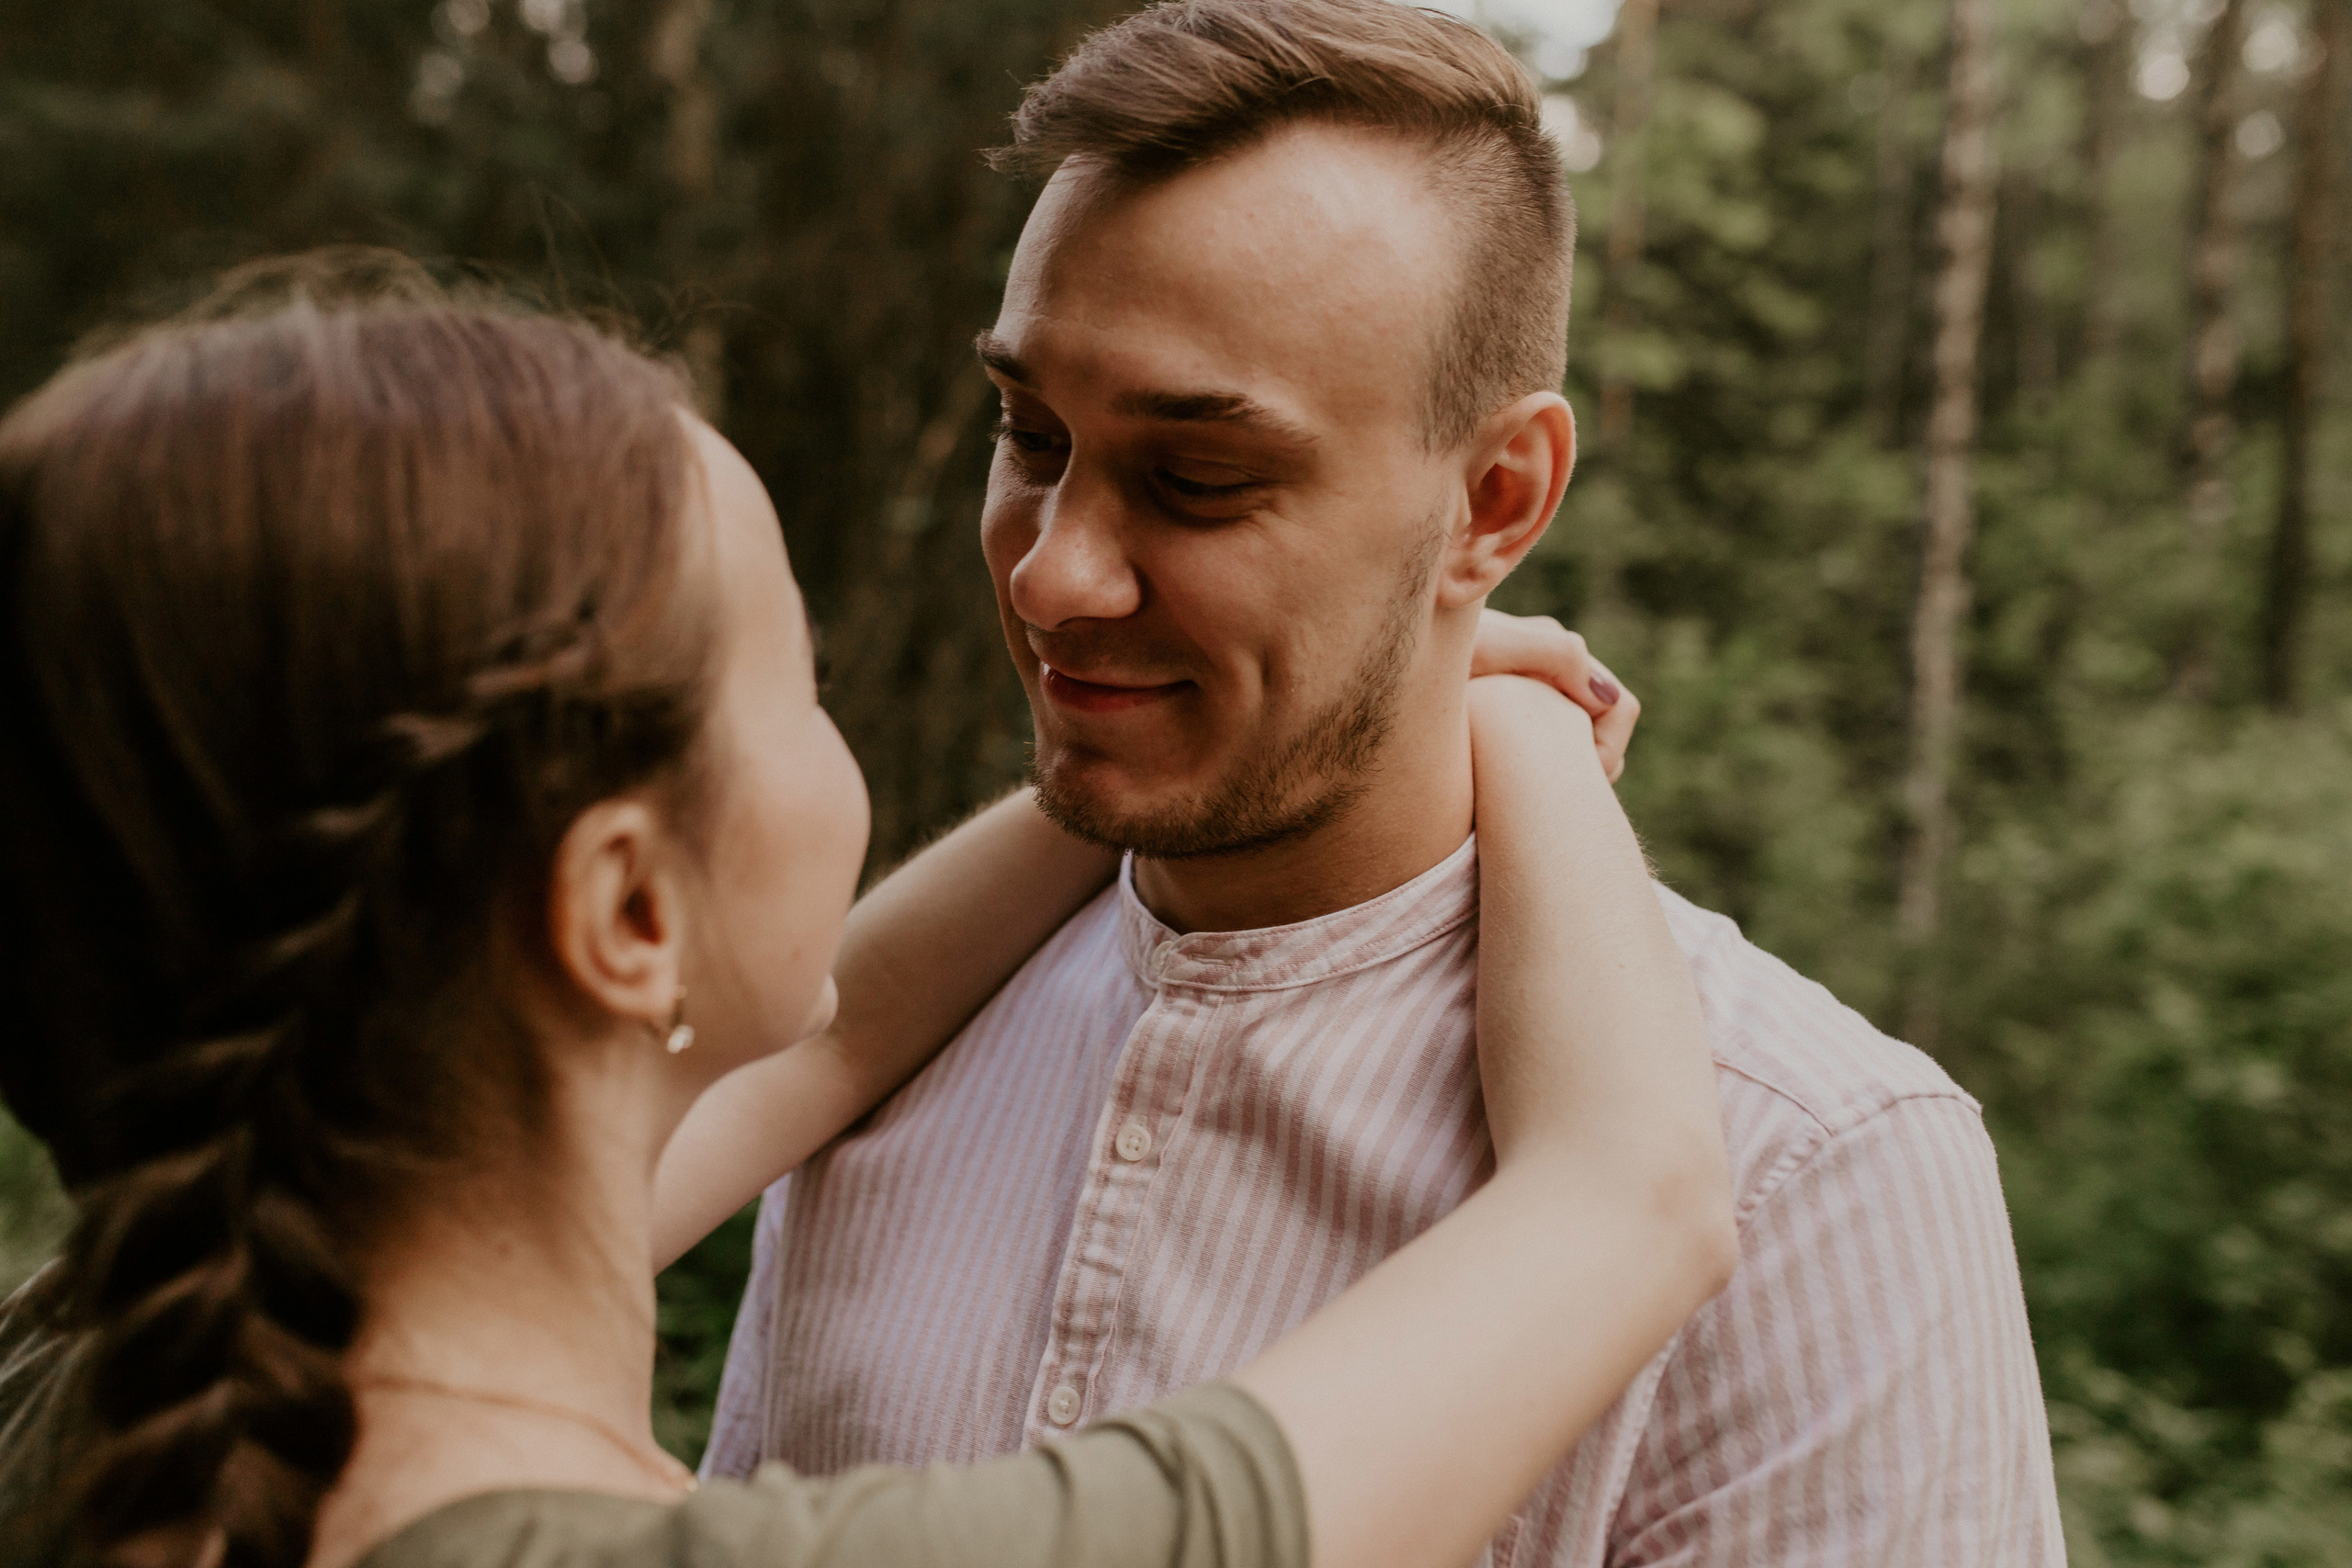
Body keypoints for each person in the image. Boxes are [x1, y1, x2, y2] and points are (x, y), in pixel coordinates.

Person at [0, 276, 1735, 1568]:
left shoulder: (104, 1383)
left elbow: (834, 1036)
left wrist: (1289, 720)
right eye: (796, 687)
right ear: (627, 910)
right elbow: (1626, 1195)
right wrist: (1516, 722)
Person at [707, 3, 2067, 1563]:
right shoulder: (866, 1050)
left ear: (1495, 502)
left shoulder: (1816, 1174)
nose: (1051, 577)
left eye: (1198, 480)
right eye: (1028, 434)